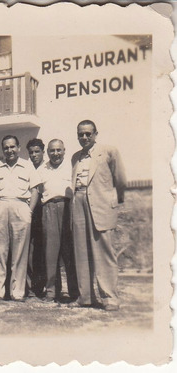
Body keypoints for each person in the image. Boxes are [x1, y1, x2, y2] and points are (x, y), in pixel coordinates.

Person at [70, 120, 126, 311]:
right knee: (81, 251)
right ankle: (85, 297)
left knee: (103, 252)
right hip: (78, 201)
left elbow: (120, 179)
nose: (84, 137)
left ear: (95, 134)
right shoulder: (75, 157)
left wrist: (113, 203)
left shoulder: (109, 152)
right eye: (80, 134)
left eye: (88, 134)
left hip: (101, 205)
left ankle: (110, 297)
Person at [0, 135, 41, 301]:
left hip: (20, 206)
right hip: (0, 206)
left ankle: (17, 292)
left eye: (12, 147)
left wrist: (29, 212)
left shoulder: (27, 166)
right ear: (3, 149)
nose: (9, 150)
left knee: (20, 253)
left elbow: (35, 190)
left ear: (18, 148)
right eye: (6, 148)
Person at [38, 139, 79, 302]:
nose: (55, 153)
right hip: (48, 208)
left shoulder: (71, 166)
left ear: (64, 150)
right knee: (50, 251)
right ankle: (51, 291)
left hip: (68, 207)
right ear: (47, 152)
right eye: (52, 151)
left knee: (70, 251)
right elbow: (39, 190)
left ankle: (74, 291)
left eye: (58, 150)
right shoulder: (42, 169)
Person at [25, 138, 47, 299]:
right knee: (30, 251)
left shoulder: (47, 168)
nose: (34, 155)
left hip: (45, 211)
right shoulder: (26, 168)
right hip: (30, 211)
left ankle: (44, 286)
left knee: (45, 250)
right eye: (31, 152)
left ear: (42, 152)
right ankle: (31, 287)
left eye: (37, 151)